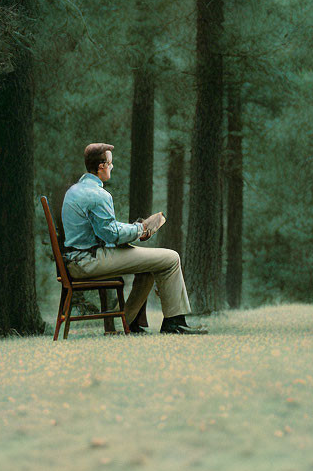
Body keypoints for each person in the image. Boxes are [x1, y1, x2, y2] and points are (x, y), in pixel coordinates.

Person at [61, 142, 206, 335]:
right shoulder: (98, 194)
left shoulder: (74, 191)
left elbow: (102, 229)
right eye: (110, 163)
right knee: (171, 258)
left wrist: (136, 228)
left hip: (78, 260)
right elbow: (111, 233)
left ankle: (128, 323)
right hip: (89, 261)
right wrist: (141, 229)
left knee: (147, 271)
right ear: (101, 166)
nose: (112, 167)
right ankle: (174, 323)